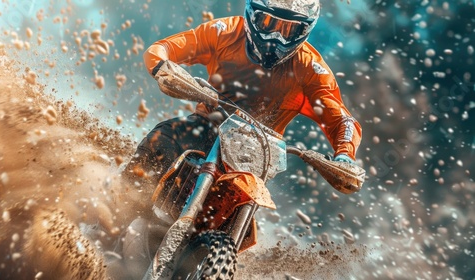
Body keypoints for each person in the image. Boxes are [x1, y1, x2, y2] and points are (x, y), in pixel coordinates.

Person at [125, 0, 362, 187]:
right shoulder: (223, 32)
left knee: (252, 196)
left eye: (288, 29)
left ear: (305, 30)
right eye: (269, 23)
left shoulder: (312, 70)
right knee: (163, 138)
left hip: (257, 154)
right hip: (206, 126)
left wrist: (345, 156)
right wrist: (162, 67)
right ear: (252, 14)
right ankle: (115, 205)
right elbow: (162, 48)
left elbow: (342, 120)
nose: (276, 37)